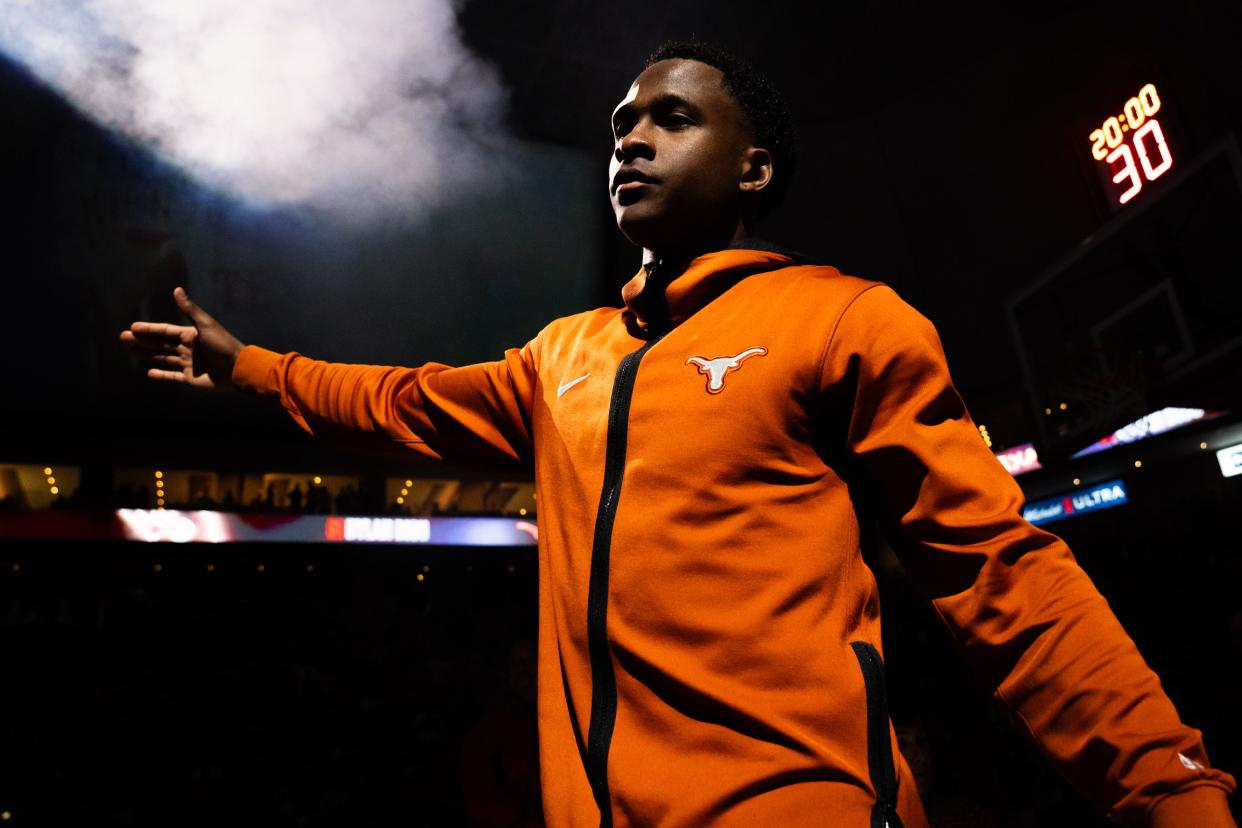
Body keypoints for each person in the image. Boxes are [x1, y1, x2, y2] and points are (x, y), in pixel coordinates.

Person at [121, 41, 1236, 828]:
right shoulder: (562, 357)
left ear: (752, 170)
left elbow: (1002, 575)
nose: (631, 141)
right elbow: (404, 401)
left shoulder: (842, 318)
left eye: (671, 117)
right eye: (620, 126)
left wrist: (1173, 792)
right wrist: (255, 368)